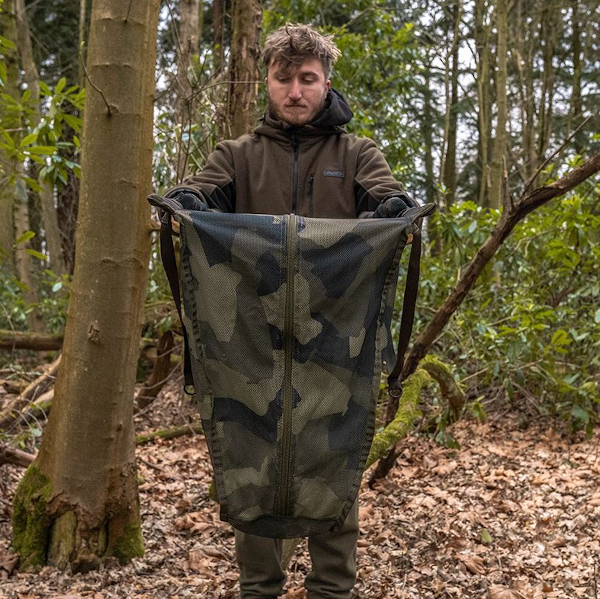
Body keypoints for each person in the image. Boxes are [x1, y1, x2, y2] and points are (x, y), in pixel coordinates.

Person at [165, 23, 415, 599]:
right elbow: (200, 194)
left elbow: (387, 196)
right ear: (268, 83)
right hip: (250, 344)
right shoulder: (238, 156)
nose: (295, 91)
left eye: (307, 79)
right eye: (284, 79)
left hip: (336, 343)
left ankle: (332, 589)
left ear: (326, 83)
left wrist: (394, 209)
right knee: (252, 465)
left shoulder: (357, 154)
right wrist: (186, 203)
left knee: (334, 462)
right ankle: (260, 588)